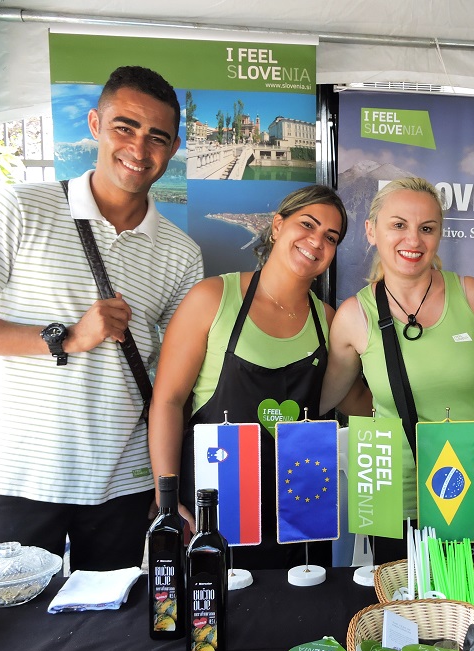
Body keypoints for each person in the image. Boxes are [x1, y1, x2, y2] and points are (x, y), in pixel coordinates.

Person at [0, 66, 202, 571]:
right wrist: (64, 338)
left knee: (118, 617)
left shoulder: (181, 253)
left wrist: (166, 486)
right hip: (19, 476)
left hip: (125, 481)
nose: (139, 149)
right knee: (9, 618)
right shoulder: (21, 208)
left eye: (157, 137)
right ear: (95, 124)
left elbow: (173, 382)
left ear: (173, 147)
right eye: (125, 127)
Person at [149, 185, 369, 569]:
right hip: (217, 509)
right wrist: (167, 500)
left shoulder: (329, 320)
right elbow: (167, 401)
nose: (316, 241)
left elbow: (356, 402)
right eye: (307, 225)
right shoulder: (213, 297)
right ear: (277, 226)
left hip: (301, 517)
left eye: (330, 237)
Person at [320, 176, 474, 563]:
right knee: (405, 602)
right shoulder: (354, 316)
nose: (413, 240)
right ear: (371, 231)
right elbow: (328, 398)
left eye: (427, 228)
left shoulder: (472, 296)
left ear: (439, 235)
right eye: (398, 225)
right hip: (395, 502)